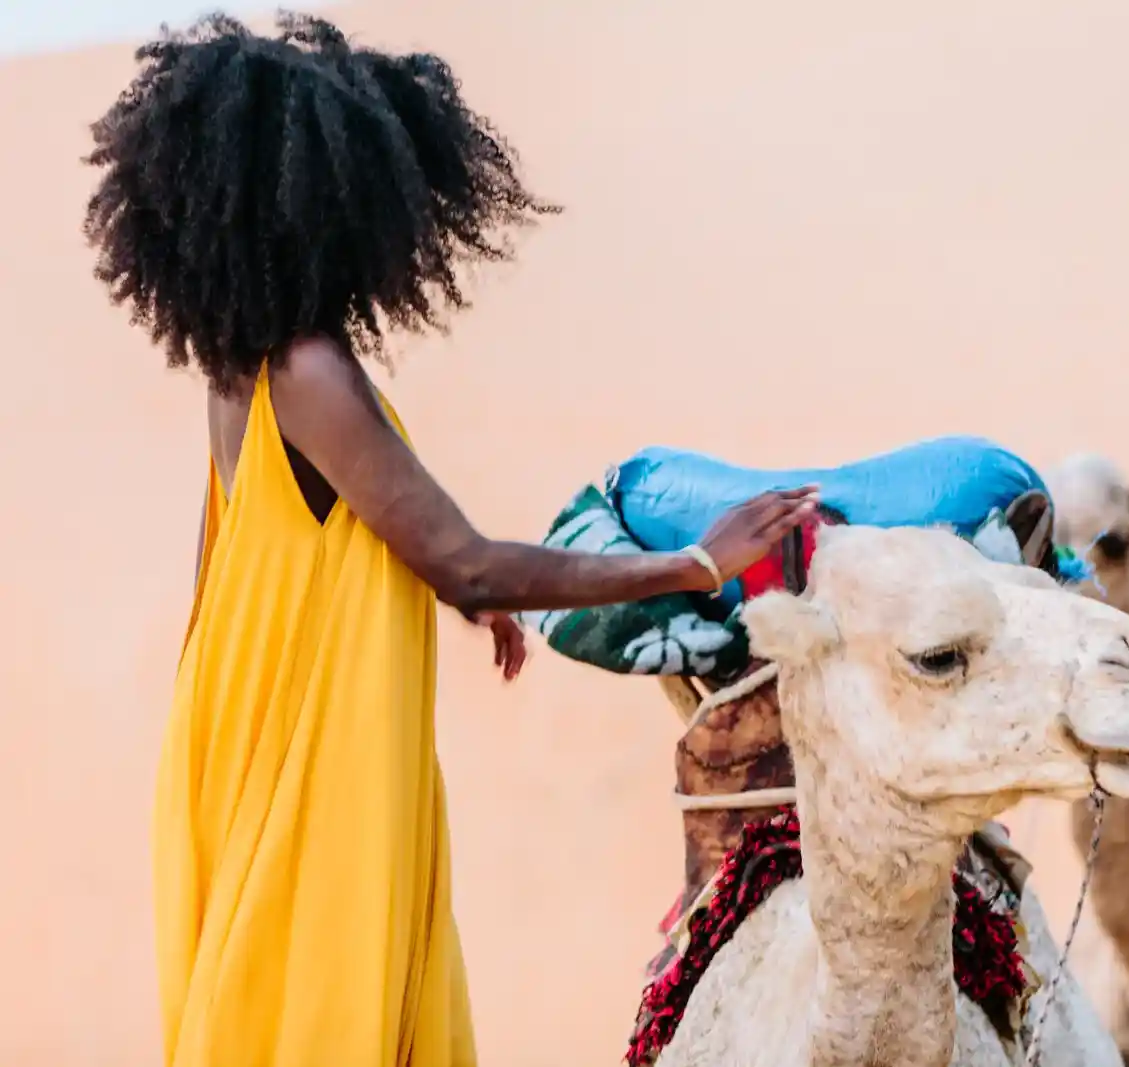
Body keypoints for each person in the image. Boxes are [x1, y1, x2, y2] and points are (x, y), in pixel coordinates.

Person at [82, 14, 816, 1066]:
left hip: (244, 720)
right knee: (332, 1008)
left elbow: (305, 537)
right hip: (309, 739)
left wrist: (447, 588)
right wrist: (696, 563)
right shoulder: (307, 367)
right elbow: (458, 548)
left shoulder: (241, 361)